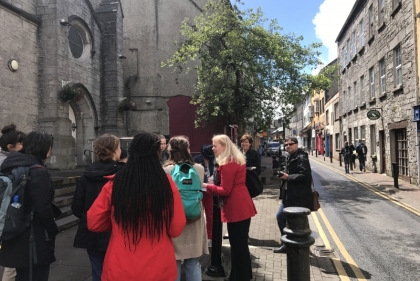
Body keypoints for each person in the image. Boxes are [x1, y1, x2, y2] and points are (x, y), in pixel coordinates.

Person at [87, 132, 186, 281]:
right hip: (158, 266)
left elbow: (94, 222)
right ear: (158, 153)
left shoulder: (115, 184)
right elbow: (176, 228)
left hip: (120, 265)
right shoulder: (167, 184)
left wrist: (116, 223)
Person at [0, 131, 57, 281]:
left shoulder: (13, 165)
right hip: (33, 238)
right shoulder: (38, 171)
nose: (50, 152)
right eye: (49, 148)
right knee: (35, 275)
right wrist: (52, 230)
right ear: (43, 148)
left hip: (14, 230)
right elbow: (43, 207)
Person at [202, 134, 257, 281]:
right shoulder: (235, 160)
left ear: (224, 146)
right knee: (241, 245)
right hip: (242, 205)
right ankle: (242, 275)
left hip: (236, 207)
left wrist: (206, 186)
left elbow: (225, 190)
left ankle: (238, 277)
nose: (212, 148)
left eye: (215, 145)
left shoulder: (227, 164)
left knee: (238, 246)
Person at [72, 134, 124, 281]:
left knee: (98, 271)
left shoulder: (87, 173)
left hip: (93, 230)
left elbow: (77, 205)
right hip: (118, 230)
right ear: (115, 150)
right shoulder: (124, 173)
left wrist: (88, 217)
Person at [163, 136, 208, 281]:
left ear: (171, 149)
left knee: (174, 261)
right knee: (193, 262)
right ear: (187, 149)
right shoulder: (199, 168)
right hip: (195, 218)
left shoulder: (166, 170)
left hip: (174, 219)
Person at [274, 137, 313, 254]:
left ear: (296, 145)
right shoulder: (290, 156)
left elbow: (306, 176)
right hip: (289, 195)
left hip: (298, 196)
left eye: (291, 144)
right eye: (286, 144)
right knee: (281, 217)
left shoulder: (301, 157)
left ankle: (303, 247)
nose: (288, 146)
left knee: (301, 222)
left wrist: (288, 177)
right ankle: (287, 244)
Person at [0, 124, 26, 281]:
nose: (24, 147)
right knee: (12, 262)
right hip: (8, 214)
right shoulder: (9, 163)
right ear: (11, 147)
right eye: (21, 144)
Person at [193, 144, 215, 247]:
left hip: (209, 190)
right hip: (198, 190)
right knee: (198, 214)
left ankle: (209, 237)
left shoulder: (215, 160)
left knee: (210, 215)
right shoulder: (196, 159)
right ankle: (199, 237)